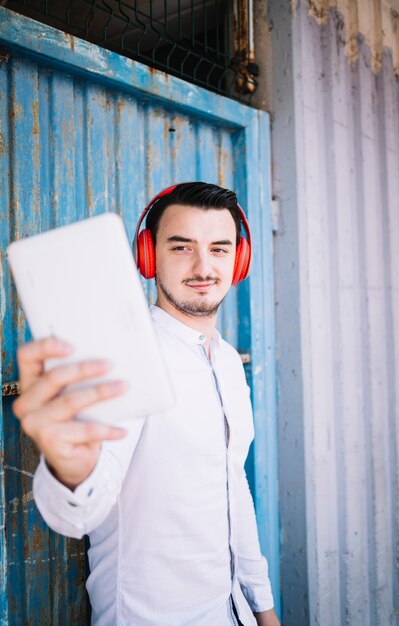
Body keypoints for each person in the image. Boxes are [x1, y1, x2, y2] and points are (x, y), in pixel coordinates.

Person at [13, 182, 280, 626]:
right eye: (181, 248)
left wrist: (264, 611)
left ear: (239, 260)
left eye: (219, 248)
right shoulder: (122, 360)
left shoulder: (230, 362)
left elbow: (235, 489)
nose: (203, 266)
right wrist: (70, 471)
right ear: (149, 257)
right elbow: (78, 513)